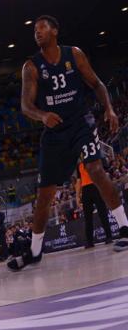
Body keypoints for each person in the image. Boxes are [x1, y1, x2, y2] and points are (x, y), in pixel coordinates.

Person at [8, 16, 128, 271]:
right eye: (34, 30)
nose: (37, 33)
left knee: (95, 169)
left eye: (41, 29)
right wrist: (42, 115)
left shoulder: (74, 54)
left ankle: (125, 227)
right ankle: (35, 251)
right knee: (44, 196)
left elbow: (96, 84)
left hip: (80, 124)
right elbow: (25, 106)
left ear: (55, 31)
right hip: (54, 134)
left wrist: (109, 109)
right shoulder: (31, 66)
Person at [76, 160, 113, 248]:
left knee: (102, 212)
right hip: (85, 190)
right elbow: (78, 181)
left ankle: (109, 237)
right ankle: (90, 242)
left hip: (96, 186)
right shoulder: (79, 165)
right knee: (87, 217)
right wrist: (77, 196)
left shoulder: (94, 159)